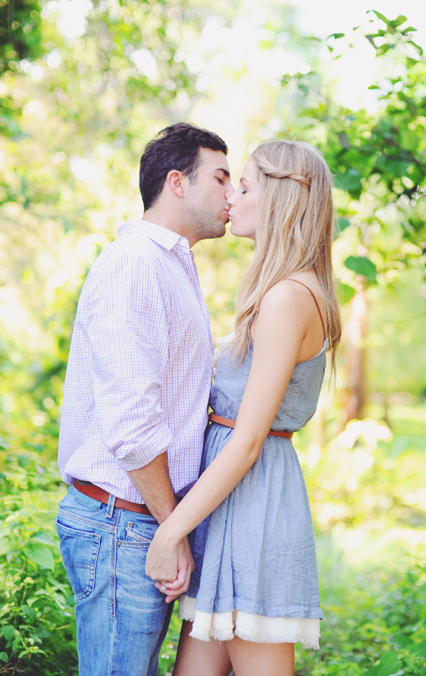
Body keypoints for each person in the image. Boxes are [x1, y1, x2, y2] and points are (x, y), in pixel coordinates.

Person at [145, 140, 342, 676]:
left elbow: (249, 438)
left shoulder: (288, 298)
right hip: (230, 506)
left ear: (280, 200)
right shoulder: (276, 291)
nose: (231, 196)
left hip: (254, 507)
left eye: (246, 186)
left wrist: (169, 532)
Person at [56, 123, 234, 676]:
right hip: (123, 523)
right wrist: (171, 528)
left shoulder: (173, 265)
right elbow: (132, 424)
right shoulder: (135, 263)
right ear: (177, 182)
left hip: (140, 521)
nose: (232, 194)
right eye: (222, 177)